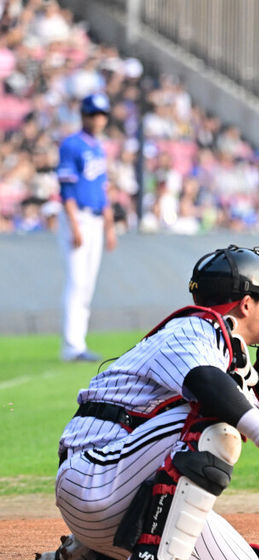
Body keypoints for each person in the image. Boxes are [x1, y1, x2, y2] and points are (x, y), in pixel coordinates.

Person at [14, 246, 259, 560]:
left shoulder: (224, 350)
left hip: (118, 505)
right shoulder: (193, 329)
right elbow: (207, 383)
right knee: (220, 422)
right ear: (246, 303)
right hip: (94, 476)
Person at [57, 93, 117, 362]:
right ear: (83, 115)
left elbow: (102, 191)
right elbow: (67, 189)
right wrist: (74, 226)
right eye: (93, 114)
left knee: (87, 284)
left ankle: (78, 343)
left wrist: (109, 226)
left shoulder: (98, 147)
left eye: (102, 114)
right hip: (77, 217)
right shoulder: (71, 145)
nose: (98, 119)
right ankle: (72, 346)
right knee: (77, 281)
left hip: (94, 219)